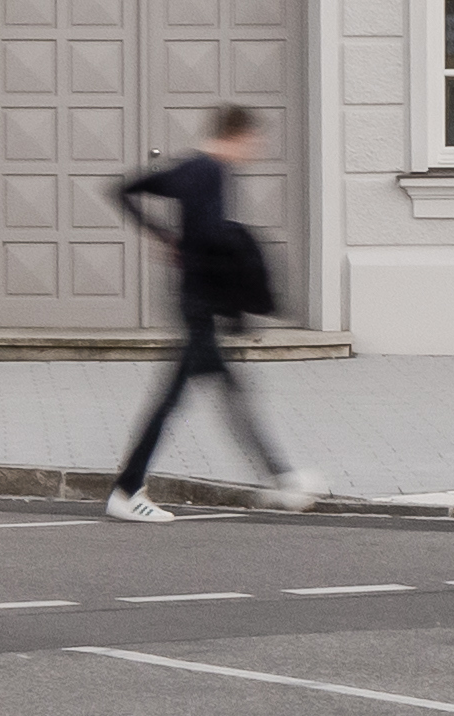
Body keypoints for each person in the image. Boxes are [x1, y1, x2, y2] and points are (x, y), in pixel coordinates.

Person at [106, 99, 325, 520]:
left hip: (195, 299)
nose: (254, 150)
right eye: (252, 141)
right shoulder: (211, 171)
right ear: (237, 136)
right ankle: (126, 490)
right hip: (200, 303)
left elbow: (124, 190)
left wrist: (164, 237)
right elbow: (208, 233)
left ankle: (282, 479)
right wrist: (238, 250)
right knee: (174, 400)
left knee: (229, 393)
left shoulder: (187, 168)